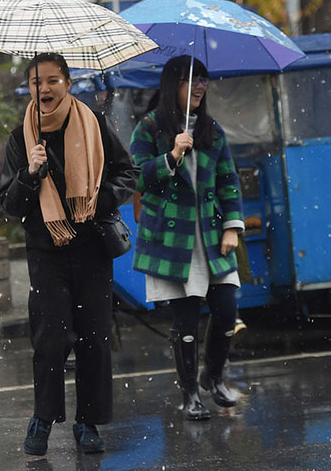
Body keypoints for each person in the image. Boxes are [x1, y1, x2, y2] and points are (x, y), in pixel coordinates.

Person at [0, 53, 138, 457]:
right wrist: (30, 173)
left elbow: (127, 173)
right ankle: (44, 417)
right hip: (46, 250)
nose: (43, 89)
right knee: (51, 337)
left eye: (52, 80)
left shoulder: (92, 124)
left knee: (94, 337)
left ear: (68, 82)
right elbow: (10, 204)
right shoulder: (19, 138)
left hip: (92, 247)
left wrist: (101, 200)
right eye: (35, 82)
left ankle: (87, 422)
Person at [129, 55, 245, 421]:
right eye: (190, 80)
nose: (199, 87)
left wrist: (232, 226)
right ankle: (190, 393)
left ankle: (213, 376)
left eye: (203, 81)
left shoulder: (212, 130)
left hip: (212, 238)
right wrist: (172, 155)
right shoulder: (148, 128)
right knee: (186, 321)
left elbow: (228, 181)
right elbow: (137, 178)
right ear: (170, 85)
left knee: (226, 310)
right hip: (172, 240)